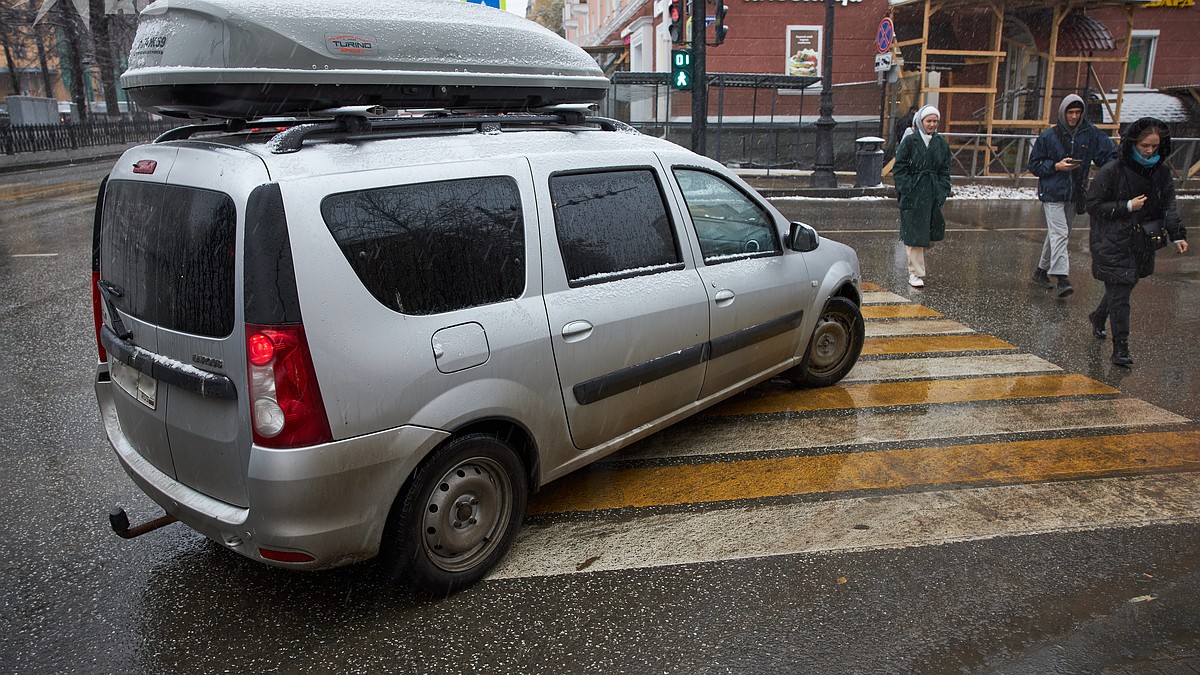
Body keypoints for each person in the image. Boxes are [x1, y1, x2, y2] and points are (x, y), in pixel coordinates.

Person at [1085, 116, 1188, 367]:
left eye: (1154, 146)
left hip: (1142, 241)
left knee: (1123, 285)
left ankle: (1099, 316)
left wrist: (1177, 234)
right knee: (1121, 294)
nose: (1150, 151)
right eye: (1145, 145)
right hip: (1112, 240)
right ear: (1133, 143)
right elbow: (1092, 204)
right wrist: (1127, 206)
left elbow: (1169, 205)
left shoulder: (1161, 173)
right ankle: (1120, 348)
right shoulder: (1113, 170)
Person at [1028, 94, 1117, 297]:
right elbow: (1034, 164)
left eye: (1078, 112)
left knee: (1059, 234)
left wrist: (1114, 170)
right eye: (1071, 112)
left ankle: (1041, 271)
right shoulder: (1049, 136)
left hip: (1075, 192)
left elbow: (1108, 154)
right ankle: (1062, 278)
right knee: (1060, 234)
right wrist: (1056, 166)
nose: (1074, 116)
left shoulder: (1090, 134)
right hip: (1052, 192)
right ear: (1063, 113)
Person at [893, 104, 951, 288]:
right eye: (929, 121)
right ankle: (915, 273)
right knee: (915, 236)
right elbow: (899, 167)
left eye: (935, 121)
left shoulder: (941, 143)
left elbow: (945, 169)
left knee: (932, 233)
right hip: (914, 193)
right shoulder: (910, 142)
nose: (932, 124)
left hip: (932, 193)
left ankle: (916, 263)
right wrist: (907, 187)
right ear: (920, 122)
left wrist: (942, 189)